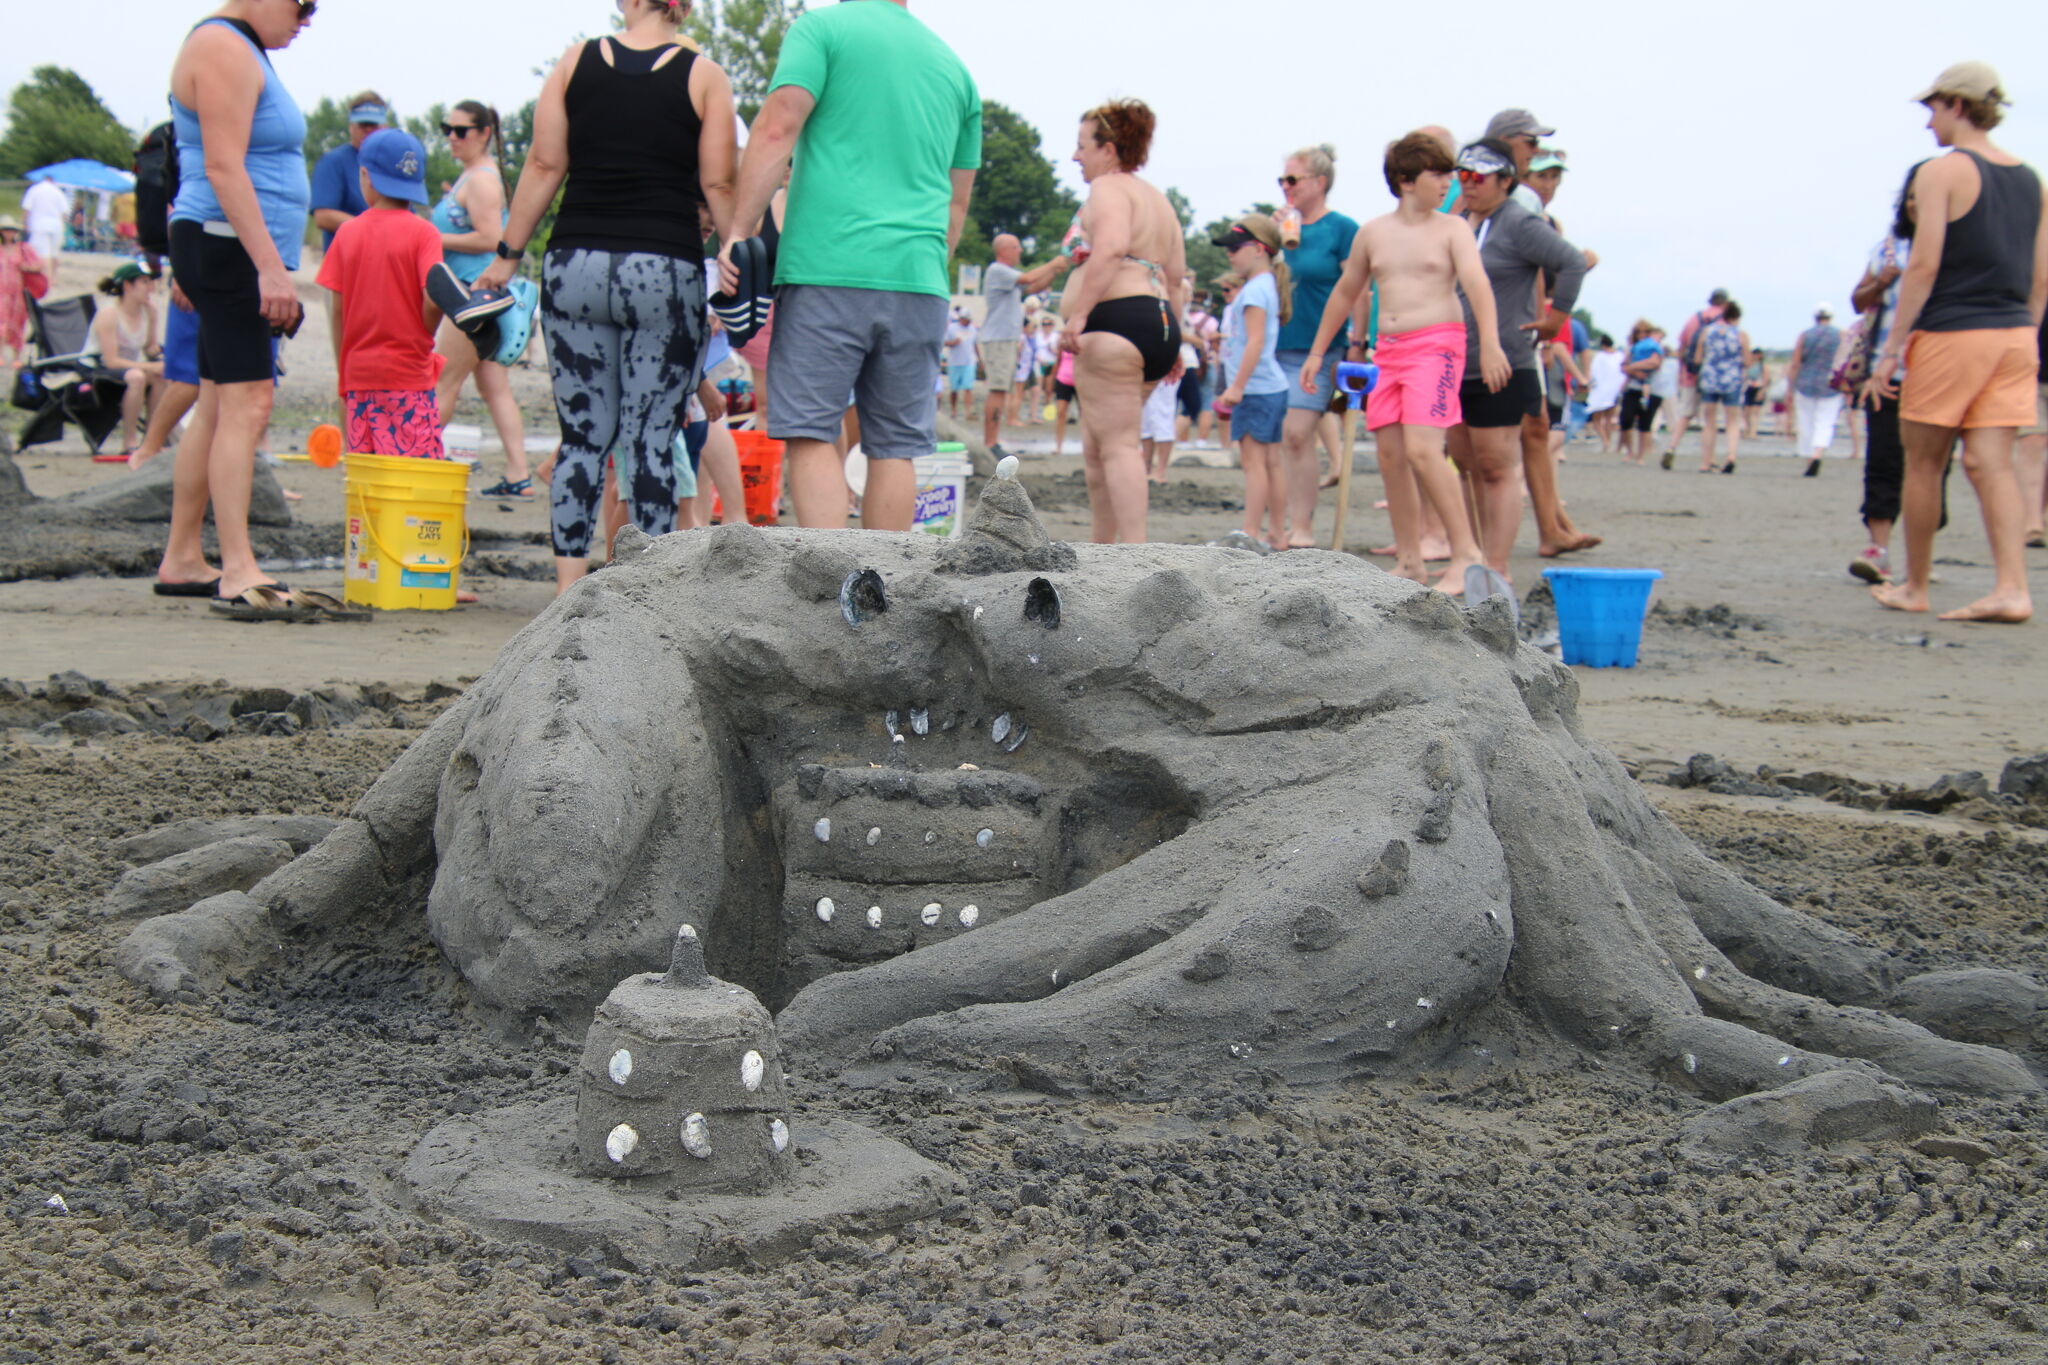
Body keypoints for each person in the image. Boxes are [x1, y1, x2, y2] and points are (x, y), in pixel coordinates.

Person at [478, 0, 738, 593]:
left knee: (581, 439)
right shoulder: (704, 76)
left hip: (577, 264)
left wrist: (507, 254)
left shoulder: (575, 62)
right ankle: (643, 597)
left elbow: (545, 163)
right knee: (649, 441)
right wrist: (736, 246)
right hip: (662, 268)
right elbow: (718, 180)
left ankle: (568, 594)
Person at [722, 0, 980, 532]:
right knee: (894, 447)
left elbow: (777, 127)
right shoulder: (954, 68)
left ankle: (836, 586)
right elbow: (957, 203)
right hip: (920, 278)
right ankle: (882, 594)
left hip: (828, 267)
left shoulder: (822, 30)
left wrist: (738, 233)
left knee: (812, 433)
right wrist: (929, 262)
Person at [1870, 60, 2042, 625]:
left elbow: (1924, 265)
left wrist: (1891, 349)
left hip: (1953, 331)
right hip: (2016, 332)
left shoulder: (1943, 171)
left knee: (1924, 461)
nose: (1929, 124)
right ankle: (2012, 589)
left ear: (1958, 105)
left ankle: (1914, 586)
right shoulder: (2029, 178)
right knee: (1994, 463)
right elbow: (2041, 275)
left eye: (1933, 110)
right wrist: (2027, 330)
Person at [156, 0, 314, 611]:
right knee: (248, 403)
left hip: (222, 243)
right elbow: (224, 167)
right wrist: (270, 268)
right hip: (228, 246)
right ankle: (239, 567)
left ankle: (184, 557)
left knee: (220, 404)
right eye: (302, 5)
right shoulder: (223, 46)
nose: (307, 17)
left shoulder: (240, 47)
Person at [1301, 132, 1505, 590]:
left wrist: (1489, 343)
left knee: (1422, 449)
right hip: (1387, 351)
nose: (1449, 183)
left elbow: (1476, 285)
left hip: (1437, 346)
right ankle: (1410, 559)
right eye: (1440, 174)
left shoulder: (1454, 228)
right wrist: (1318, 352)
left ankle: (1468, 556)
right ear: (1407, 180)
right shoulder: (1374, 232)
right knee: (1392, 456)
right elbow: (1345, 291)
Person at [1443, 139, 1587, 577]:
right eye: (1462, 176)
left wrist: (1554, 320)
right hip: (1454, 361)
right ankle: (1473, 559)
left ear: (1505, 182)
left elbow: (1573, 262)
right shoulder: (1456, 223)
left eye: (1478, 178)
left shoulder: (1519, 223)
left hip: (1504, 361)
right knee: (1463, 463)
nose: (1468, 185)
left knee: (1495, 465)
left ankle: (1498, 566)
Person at [1052, 100, 1185, 543]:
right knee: (1098, 445)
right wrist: (1178, 342)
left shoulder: (1109, 189)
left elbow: (1110, 247)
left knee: (1118, 444)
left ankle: (1133, 550)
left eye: (1082, 146)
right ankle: (1104, 550)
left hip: (1117, 321)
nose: (1076, 157)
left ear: (1108, 150)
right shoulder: (1158, 200)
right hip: (1158, 321)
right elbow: (1177, 276)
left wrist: (1080, 315)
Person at [315, 128, 452, 461]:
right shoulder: (425, 233)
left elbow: (338, 309)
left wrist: (344, 370)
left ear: (365, 176)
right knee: (412, 479)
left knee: (366, 476)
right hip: (409, 377)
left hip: (360, 376)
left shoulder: (347, 233)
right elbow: (433, 299)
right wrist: (425, 336)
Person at [431, 100, 530, 498]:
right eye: (447, 129)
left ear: (484, 133)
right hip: (481, 293)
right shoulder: (471, 176)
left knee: (442, 381)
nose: (452, 138)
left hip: (476, 296)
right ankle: (519, 473)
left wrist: (431, 238)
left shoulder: (483, 180)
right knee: (494, 387)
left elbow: (493, 239)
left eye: (461, 130)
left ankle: (418, 454)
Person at [1269, 144, 1359, 550]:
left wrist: (1359, 342)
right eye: (1282, 180)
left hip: (1321, 347)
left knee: (1297, 431)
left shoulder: (1341, 229)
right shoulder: (1281, 227)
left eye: (1293, 179)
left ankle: (1302, 525)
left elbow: (1358, 288)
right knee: (1286, 437)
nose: (1285, 187)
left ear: (1319, 183)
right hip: (1278, 344)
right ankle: (1292, 523)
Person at [1216, 219, 1292, 547]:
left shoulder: (1256, 290)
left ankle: (1251, 532)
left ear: (1259, 249)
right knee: (1271, 462)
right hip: (1270, 387)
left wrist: (1236, 387)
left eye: (1236, 248)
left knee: (1254, 464)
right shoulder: (1266, 285)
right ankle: (1275, 532)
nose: (1230, 255)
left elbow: (1255, 342)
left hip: (1257, 389)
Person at [308, 92, 388, 373]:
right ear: (351, 126)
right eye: (362, 124)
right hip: (347, 274)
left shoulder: (391, 164)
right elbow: (324, 215)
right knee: (351, 364)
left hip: (387, 274)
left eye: (374, 125)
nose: (368, 131)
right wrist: (374, 228)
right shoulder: (335, 162)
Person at [979, 234, 1071, 455]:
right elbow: (1029, 279)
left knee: (1002, 390)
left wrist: (1053, 272)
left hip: (1004, 338)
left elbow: (1033, 288)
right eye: (1016, 247)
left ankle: (993, 441)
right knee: (998, 390)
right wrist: (1052, 264)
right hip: (999, 338)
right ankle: (990, 443)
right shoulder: (997, 270)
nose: (1020, 251)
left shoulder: (1007, 277)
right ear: (1003, 250)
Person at [88, 262, 165, 458]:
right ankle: (129, 441)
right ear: (128, 286)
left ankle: (151, 439)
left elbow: (150, 348)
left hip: (130, 367)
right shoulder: (110, 314)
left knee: (160, 376)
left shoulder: (148, 311)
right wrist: (150, 365)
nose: (151, 288)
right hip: (99, 368)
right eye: (145, 282)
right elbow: (111, 361)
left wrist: (163, 358)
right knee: (137, 376)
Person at [1658, 288, 1728, 469]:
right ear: (1725, 302)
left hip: (1691, 374)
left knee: (1685, 414)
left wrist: (1684, 372)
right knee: (1710, 419)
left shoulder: (1694, 319)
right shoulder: (1725, 321)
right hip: (1714, 376)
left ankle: (1671, 447)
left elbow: (1682, 346)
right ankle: (1708, 459)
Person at [1785, 305, 1845, 477]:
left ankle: (1810, 458)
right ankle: (1818, 453)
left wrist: (1790, 388)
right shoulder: (1840, 335)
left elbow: (1796, 363)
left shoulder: (1805, 335)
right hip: (1830, 384)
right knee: (1825, 421)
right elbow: (1844, 360)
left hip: (1806, 382)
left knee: (1806, 422)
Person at [1694, 300, 1749, 474]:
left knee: (1709, 422)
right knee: (1732, 421)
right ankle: (1731, 455)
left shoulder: (1707, 332)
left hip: (1710, 378)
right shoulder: (1740, 334)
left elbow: (1697, 359)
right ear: (1737, 317)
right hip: (1731, 379)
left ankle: (1706, 461)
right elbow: (1747, 361)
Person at [0, 215, 48, 369]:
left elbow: (39, 265)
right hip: (2, 292)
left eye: (12, 230)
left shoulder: (24, 248)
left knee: (18, 324)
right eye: (6, 230)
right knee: (2, 323)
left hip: (18, 292)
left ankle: (16, 357)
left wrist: (25, 267)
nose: (9, 233)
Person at [1618, 321, 1665, 465]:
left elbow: (1655, 363)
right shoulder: (1632, 348)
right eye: (1639, 332)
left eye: (1645, 332)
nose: (1642, 335)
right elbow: (1623, 367)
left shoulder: (1654, 347)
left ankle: (1640, 455)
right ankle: (1630, 451)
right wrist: (1635, 370)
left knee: (1645, 423)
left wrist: (1632, 367)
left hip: (1651, 389)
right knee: (1626, 419)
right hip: (1632, 388)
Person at [1586, 332, 1625, 452]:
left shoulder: (1600, 356)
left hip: (1600, 390)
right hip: (1615, 390)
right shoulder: (1620, 355)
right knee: (1609, 417)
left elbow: (1594, 373)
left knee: (1597, 419)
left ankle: (1605, 441)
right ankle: (1607, 440)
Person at [23, 173, 69, 270]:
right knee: (54, 253)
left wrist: (25, 224)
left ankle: (46, 277)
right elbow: (65, 213)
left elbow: (27, 209)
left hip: (39, 225)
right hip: (56, 226)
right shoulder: (58, 191)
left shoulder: (34, 189)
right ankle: (53, 278)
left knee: (42, 253)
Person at [944, 309, 978, 419]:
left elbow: (975, 344)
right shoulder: (951, 328)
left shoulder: (972, 329)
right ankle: (954, 409)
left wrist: (980, 359)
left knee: (968, 387)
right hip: (955, 362)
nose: (967, 322)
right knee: (954, 389)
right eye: (966, 320)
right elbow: (944, 342)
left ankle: (968, 411)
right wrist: (952, 343)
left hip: (969, 361)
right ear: (961, 319)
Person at [1742, 347, 1770, 439]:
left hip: (1759, 388)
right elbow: (1744, 377)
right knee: (1746, 412)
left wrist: (1762, 391)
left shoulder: (1763, 366)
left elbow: (1766, 380)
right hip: (1749, 388)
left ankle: (1753, 432)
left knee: (1754, 412)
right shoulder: (1749, 365)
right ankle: (1747, 429)